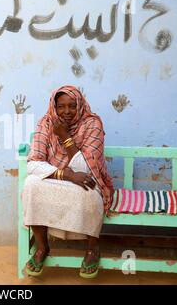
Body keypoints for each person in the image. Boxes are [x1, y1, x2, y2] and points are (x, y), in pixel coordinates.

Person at [21, 85, 114, 278]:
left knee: (88, 191)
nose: (66, 112)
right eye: (61, 106)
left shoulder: (92, 124)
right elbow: (33, 164)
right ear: (54, 106)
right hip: (60, 177)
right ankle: (42, 247)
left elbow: (85, 171)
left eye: (72, 106)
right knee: (31, 183)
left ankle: (92, 248)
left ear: (79, 105)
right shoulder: (46, 123)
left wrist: (65, 137)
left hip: (87, 180)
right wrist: (67, 175)